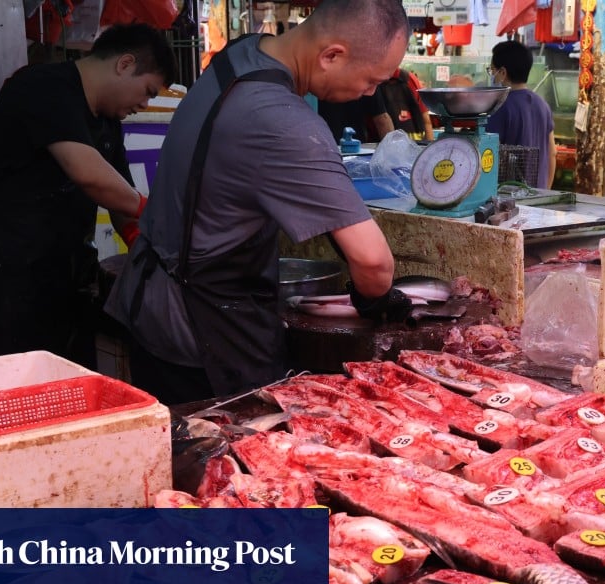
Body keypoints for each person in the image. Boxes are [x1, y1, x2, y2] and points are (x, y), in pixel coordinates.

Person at [105, 0, 413, 403]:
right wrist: (376, 301)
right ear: (332, 55)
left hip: (153, 301)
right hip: (201, 330)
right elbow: (374, 262)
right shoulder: (283, 121)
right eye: (372, 80)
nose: (371, 93)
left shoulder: (242, 52)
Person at [0, 24, 175, 367]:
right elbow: (90, 176)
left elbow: (119, 195)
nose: (143, 104)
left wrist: (142, 246)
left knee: (72, 370)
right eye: (146, 91)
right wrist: (152, 211)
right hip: (6, 263)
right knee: (21, 374)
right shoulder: (44, 86)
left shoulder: (107, 117)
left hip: (62, 262)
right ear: (125, 64)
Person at [487, 41, 556, 188]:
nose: (492, 75)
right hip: (538, 196)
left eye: (492, 70)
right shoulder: (543, 105)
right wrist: (545, 192)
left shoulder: (499, 107)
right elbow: (552, 153)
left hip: (509, 198)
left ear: (503, 73)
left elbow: (489, 155)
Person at [377, 68, 436, 141]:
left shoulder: (409, 79)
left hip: (407, 145)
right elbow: (427, 121)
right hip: (412, 144)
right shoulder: (409, 78)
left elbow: (426, 121)